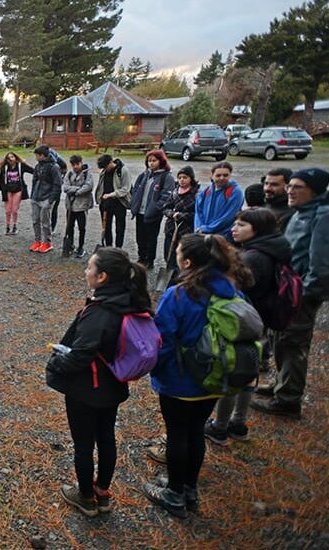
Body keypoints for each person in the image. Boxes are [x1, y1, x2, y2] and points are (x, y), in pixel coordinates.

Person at [144, 233, 245, 518]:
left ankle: (174, 494)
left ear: (187, 261)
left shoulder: (178, 295)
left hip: (180, 378)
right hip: (216, 377)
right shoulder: (233, 291)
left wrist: (157, 370)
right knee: (196, 431)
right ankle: (189, 487)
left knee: (177, 434)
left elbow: (161, 338)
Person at [47, 247, 151, 516]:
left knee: (83, 444)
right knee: (106, 437)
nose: (86, 271)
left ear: (102, 276)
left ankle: (84, 496)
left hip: (87, 389)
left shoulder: (100, 311)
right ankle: (102, 492)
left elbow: (81, 354)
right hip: (113, 384)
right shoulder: (128, 301)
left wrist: (56, 363)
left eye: (90, 267)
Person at [252, 168, 329, 418]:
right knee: (280, 340)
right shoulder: (301, 213)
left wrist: (304, 296)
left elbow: (325, 266)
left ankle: (288, 400)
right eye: (290, 186)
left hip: (300, 295)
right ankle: (280, 384)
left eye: (297, 187)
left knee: (294, 343)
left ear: (315, 191)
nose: (290, 191)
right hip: (286, 290)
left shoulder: (327, 218)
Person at [204, 208, 290, 444]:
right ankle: (239, 423)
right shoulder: (275, 247)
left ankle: (220, 426)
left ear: (257, 229)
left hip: (243, 321)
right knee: (249, 370)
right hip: (260, 320)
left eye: (241, 225)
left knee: (234, 374)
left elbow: (235, 292)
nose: (235, 229)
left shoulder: (253, 257)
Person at [129, 150, 176, 269]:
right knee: (140, 237)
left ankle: (149, 260)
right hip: (140, 211)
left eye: (154, 160)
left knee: (151, 238)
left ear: (161, 161)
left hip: (153, 213)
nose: (151, 163)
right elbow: (135, 190)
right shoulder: (144, 175)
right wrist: (134, 204)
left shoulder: (166, 177)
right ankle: (141, 257)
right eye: (149, 161)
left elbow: (166, 196)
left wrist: (156, 208)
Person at [161, 167, 200, 274]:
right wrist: (172, 214)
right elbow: (165, 208)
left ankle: (182, 276)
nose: (182, 180)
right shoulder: (175, 192)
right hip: (171, 229)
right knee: (169, 255)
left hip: (186, 231)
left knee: (183, 256)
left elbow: (198, 214)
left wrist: (182, 216)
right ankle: (170, 275)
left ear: (191, 178)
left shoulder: (196, 194)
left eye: (185, 177)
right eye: (179, 178)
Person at [194, 161, 244, 239]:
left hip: (223, 236)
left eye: (225, 175)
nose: (222, 178)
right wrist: (199, 228)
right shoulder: (207, 190)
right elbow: (198, 211)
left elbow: (228, 216)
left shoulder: (235, 192)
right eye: (218, 175)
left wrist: (208, 229)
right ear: (212, 176)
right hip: (203, 234)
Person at [29, 146, 63, 253]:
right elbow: (34, 180)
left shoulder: (54, 167)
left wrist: (51, 199)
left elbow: (57, 184)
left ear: (42, 156)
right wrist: (33, 194)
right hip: (36, 197)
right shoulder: (38, 166)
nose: (35, 157)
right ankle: (38, 241)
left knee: (45, 222)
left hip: (46, 198)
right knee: (35, 221)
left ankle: (47, 242)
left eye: (37, 155)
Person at [94, 155, 131, 248]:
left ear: (111, 162)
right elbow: (100, 186)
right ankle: (108, 247)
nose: (105, 169)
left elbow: (126, 188)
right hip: (105, 204)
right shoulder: (103, 172)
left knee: (120, 227)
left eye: (106, 167)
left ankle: (118, 248)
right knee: (106, 227)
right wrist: (99, 199)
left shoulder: (123, 170)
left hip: (119, 203)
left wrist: (111, 194)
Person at [62, 155, 94, 258]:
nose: (75, 166)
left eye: (77, 164)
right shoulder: (69, 174)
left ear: (81, 162)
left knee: (81, 228)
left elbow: (88, 186)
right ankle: (70, 245)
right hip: (70, 206)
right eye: (73, 165)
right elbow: (65, 187)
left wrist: (76, 192)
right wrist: (77, 189)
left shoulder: (87, 174)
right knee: (69, 227)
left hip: (82, 206)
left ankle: (81, 247)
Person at [0, 152, 31, 236]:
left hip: (18, 190)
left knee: (14, 210)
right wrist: (2, 190)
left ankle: (14, 226)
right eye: (8, 158)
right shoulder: (5, 168)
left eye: (12, 157)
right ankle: (7, 226)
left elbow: (33, 171)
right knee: (8, 210)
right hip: (8, 190)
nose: (11, 159)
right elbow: (1, 181)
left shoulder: (20, 166)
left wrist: (24, 162)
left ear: (15, 158)